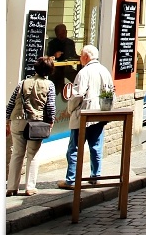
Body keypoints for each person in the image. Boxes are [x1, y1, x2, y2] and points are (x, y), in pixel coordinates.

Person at [57, 45, 114, 189]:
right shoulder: (105, 71)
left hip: (83, 115)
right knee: (96, 147)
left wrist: (70, 109)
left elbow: (77, 95)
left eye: (81, 55)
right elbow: (112, 93)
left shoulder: (84, 72)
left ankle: (71, 180)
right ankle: (96, 176)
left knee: (74, 149)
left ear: (87, 57)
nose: (79, 58)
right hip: (100, 114)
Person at [6, 57, 56, 196]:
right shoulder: (49, 85)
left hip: (17, 120)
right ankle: (29, 187)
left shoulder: (22, 83)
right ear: (50, 70)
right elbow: (50, 106)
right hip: (36, 122)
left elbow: (11, 102)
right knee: (32, 154)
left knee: (17, 153)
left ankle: (11, 187)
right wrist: (51, 122)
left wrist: (6, 120)